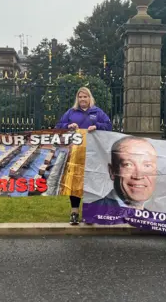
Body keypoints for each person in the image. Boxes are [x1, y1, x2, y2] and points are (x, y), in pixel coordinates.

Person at [55, 87, 112, 225]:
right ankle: (74, 212)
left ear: (90, 98)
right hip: (75, 155)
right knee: (74, 182)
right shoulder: (71, 112)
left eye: (85, 97)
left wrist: (97, 126)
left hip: (93, 155)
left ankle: (90, 213)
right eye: (80, 97)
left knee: (91, 182)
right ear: (77, 99)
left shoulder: (97, 112)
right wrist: (69, 125)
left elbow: (108, 126)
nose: (82, 99)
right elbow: (58, 126)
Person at [94, 136, 158, 209]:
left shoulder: (153, 218)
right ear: (112, 171)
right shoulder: (91, 212)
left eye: (147, 166)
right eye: (128, 165)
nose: (139, 176)